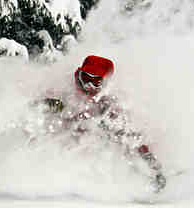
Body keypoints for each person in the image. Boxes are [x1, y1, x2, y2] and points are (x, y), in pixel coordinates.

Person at [33, 55, 166, 193]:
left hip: (88, 147)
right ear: (80, 73)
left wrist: (152, 165)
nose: (88, 85)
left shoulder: (108, 101)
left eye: (95, 82)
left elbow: (131, 137)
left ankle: (139, 179)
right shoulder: (62, 85)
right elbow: (31, 108)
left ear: (104, 82)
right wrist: (46, 104)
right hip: (59, 140)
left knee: (115, 140)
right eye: (86, 79)